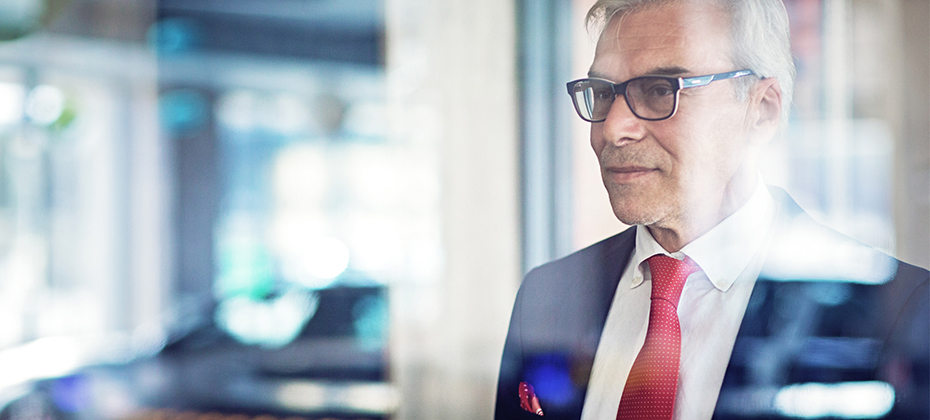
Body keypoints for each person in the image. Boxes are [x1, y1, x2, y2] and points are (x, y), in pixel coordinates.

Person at [494, 0, 930, 419]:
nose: (613, 128)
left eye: (660, 90)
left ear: (762, 110)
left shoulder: (895, 310)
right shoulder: (548, 295)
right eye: (603, 93)